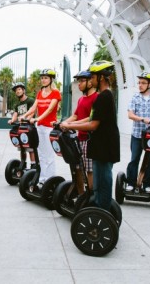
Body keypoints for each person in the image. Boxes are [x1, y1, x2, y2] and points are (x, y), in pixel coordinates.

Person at [60, 61, 120, 211]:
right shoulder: (103, 96)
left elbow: (93, 125)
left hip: (105, 147)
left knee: (103, 183)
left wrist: (70, 126)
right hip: (100, 146)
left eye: (93, 76)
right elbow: (90, 118)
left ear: (101, 78)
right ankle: (98, 210)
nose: (91, 79)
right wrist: (68, 124)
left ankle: (102, 213)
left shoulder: (104, 97)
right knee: (98, 184)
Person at [21, 68, 61, 186]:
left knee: (49, 155)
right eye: (42, 78)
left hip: (50, 128)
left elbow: (50, 109)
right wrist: (24, 116)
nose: (43, 80)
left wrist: (38, 118)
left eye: (46, 78)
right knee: (41, 155)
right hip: (40, 128)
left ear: (51, 79)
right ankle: (42, 179)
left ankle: (50, 180)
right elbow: (34, 108)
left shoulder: (55, 93)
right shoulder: (40, 93)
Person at [60, 70, 98, 194]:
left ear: (90, 82)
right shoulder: (81, 99)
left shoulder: (96, 97)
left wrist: (71, 125)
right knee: (78, 168)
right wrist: (63, 123)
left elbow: (91, 118)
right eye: (78, 81)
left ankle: (91, 196)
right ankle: (81, 196)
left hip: (90, 139)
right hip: (79, 138)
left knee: (90, 170)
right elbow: (75, 115)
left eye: (82, 81)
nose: (79, 84)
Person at [8, 81, 37, 171]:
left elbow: (32, 111)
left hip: (29, 127)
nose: (18, 91)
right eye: (16, 90)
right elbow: (15, 114)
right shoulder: (17, 104)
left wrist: (27, 118)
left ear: (23, 90)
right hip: (21, 128)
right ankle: (23, 164)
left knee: (30, 148)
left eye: (19, 89)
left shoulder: (30, 100)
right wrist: (12, 120)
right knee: (21, 147)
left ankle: (33, 165)